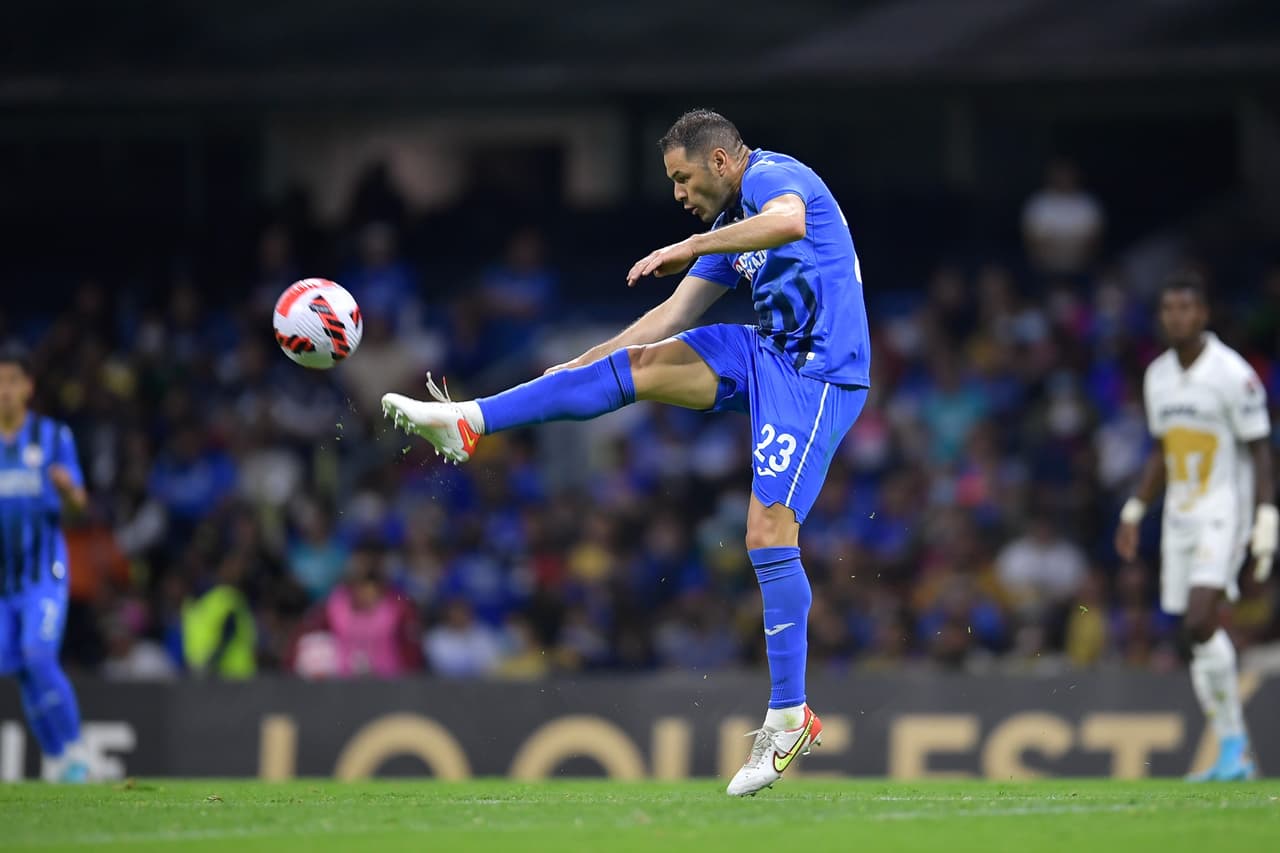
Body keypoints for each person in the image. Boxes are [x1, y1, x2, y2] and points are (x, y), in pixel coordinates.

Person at [382, 108, 871, 796]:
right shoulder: (731, 225)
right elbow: (669, 317)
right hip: (766, 352)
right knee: (639, 364)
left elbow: (789, 221)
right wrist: (583, 362)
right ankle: (468, 420)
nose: (678, 194)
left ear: (722, 162)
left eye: (681, 177)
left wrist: (686, 246)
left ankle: (789, 716)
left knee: (766, 529)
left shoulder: (771, 178)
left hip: (819, 373)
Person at [1115, 271, 1275, 781]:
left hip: (1224, 507)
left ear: (1202, 314)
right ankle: (1234, 749)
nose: (1177, 317)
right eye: (1169, 309)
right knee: (1193, 630)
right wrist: (1136, 509)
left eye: (1186, 308)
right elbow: (1163, 450)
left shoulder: (1233, 373)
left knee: (1202, 617)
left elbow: (1259, 447)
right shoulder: (1158, 375)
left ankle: (1236, 749)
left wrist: (1267, 516)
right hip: (1181, 512)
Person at [0, 342, 91, 781]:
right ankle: (58, 758)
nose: (3, 390)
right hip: (2, 585)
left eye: (11, 380)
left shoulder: (53, 438)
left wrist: (69, 492)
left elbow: (79, 509)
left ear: (28, 387)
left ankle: (76, 752)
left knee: (38, 657)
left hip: (43, 576)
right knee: (16, 668)